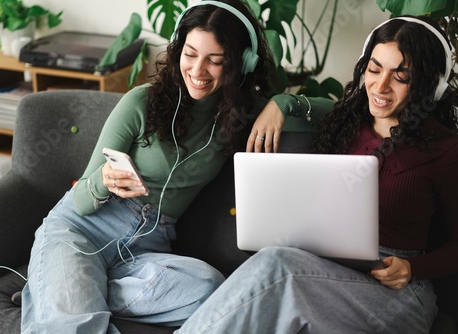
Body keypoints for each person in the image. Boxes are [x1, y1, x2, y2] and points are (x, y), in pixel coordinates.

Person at [176, 15, 458, 334]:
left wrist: (412, 267)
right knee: (275, 274)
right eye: (374, 69)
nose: (380, 86)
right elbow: (313, 107)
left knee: (278, 266)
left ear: (429, 85)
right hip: (330, 272)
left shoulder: (446, 150)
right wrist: (281, 104)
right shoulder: (346, 124)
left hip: (399, 292)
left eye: (400, 76)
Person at [19, 0, 285, 333]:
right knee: (76, 325)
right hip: (82, 231)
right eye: (190, 54)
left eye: (215, 60)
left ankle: (66, 286)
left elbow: (327, 114)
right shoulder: (140, 102)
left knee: (210, 290)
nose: (198, 71)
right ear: (177, 51)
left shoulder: (241, 114)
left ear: (241, 64)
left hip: (145, 249)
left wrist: (282, 103)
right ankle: (64, 284)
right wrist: (103, 180)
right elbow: (83, 202)